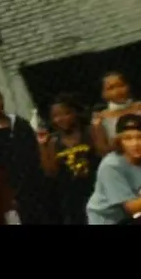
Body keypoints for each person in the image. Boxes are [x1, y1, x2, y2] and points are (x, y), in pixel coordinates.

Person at [0, 85, 55, 224]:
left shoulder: (21, 124)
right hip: (13, 199)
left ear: (2, 98)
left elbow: (35, 153)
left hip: (38, 189)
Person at [36, 94, 98, 225]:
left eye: (66, 113)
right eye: (55, 116)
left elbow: (104, 154)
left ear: (75, 112)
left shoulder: (89, 131)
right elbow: (50, 172)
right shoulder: (53, 142)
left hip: (97, 189)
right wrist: (42, 146)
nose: (61, 119)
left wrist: (98, 128)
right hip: (72, 199)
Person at [90, 71, 141, 156]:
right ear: (103, 94)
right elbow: (102, 151)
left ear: (128, 86)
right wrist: (97, 129)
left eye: (121, 85)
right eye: (111, 88)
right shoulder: (100, 119)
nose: (118, 91)